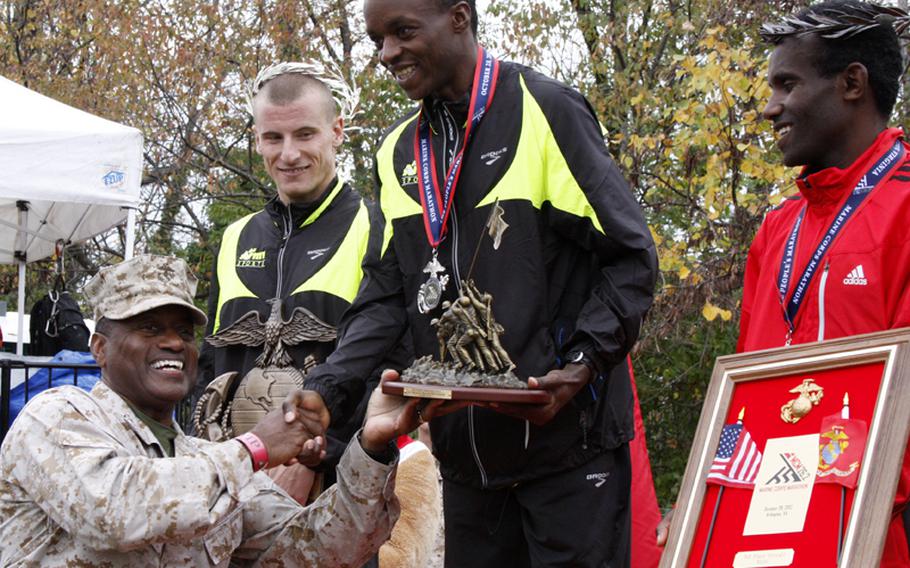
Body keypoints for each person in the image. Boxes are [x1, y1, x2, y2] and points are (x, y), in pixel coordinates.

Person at [303, 1, 658, 565]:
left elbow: (633, 257)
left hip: (567, 454)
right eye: (377, 39)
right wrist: (328, 386)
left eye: (402, 31)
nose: (387, 53)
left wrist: (583, 363)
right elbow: (390, 294)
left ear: (460, 18)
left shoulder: (545, 109)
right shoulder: (399, 152)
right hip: (467, 465)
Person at [658, 2, 910, 565]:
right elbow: (744, 394)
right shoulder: (778, 228)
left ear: (852, 83)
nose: (770, 109)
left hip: (872, 532)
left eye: (786, 84)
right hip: (769, 524)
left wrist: (831, 509)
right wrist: (706, 494)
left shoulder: (905, 208)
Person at [0, 254, 434, 566]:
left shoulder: (206, 461)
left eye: (184, 332)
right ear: (99, 347)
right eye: (149, 328)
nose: (173, 343)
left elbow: (319, 550)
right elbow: (114, 511)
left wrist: (371, 450)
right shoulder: (56, 417)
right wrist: (255, 449)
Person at [199, 61, 406, 499]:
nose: (288, 154)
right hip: (237, 482)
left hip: (341, 486)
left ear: (337, 131)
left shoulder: (379, 226)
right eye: (273, 137)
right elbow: (210, 365)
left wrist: (320, 457)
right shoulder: (235, 238)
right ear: (257, 139)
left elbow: (391, 363)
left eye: (305, 134)